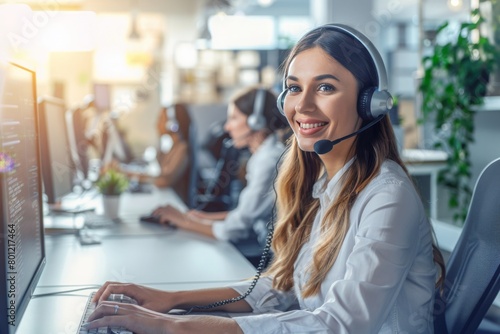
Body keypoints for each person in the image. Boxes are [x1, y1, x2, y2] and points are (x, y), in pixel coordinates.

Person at [85, 23, 445, 333]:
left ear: (370, 103)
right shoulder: (325, 184)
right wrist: (171, 300)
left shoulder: (387, 196)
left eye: (325, 88)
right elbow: (281, 289)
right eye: (294, 87)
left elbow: (341, 325)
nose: (302, 106)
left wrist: (173, 326)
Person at [150, 86, 289, 263]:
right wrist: (202, 218)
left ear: (256, 122)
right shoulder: (262, 156)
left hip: (277, 259)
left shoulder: (269, 161)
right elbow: (246, 212)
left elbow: (237, 227)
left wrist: (183, 222)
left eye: (234, 118)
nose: (226, 126)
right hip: (268, 250)